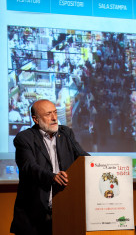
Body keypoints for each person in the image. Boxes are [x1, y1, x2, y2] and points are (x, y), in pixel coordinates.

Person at [10, 99, 89, 235]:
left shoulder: (66, 134)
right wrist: (53, 177)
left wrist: (100, 165)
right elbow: (29, 167)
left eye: (55, 113)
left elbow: (82, 156)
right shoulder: (24, 138)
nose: (54, 118)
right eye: (48, 114)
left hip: (65, 212)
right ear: (35, 119)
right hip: (34, 216)